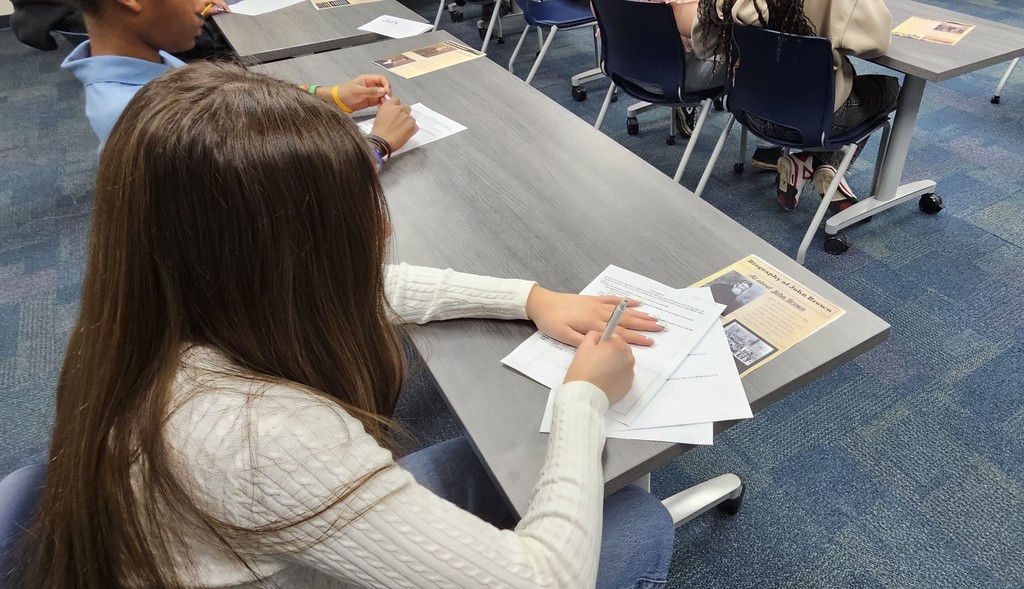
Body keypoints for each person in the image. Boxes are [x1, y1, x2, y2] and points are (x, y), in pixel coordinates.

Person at [10, 62, 676, 589]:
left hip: (277, 535)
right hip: (299, 535)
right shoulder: (258, 436)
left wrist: (529, 296)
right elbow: (545, 579)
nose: (382, 227)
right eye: (358, 216)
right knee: (637, 523)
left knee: (512, 451)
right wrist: (584, 398)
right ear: (281, 256)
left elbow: (373, 288)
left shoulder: (148, 313)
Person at [61, 0, 417, 165]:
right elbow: (280, 199)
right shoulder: (135, 114)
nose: (205, 4)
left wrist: (331, 96)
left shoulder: (149, 60)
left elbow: (241, 101)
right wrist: (377, 145)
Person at [692, 0, 900, 211]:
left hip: (750, 112)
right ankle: (820, 162)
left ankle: (806, 163)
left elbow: (702, 47)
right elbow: (879, 42)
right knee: (888, 89)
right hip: (814, 122)